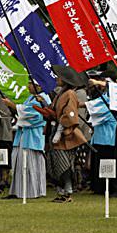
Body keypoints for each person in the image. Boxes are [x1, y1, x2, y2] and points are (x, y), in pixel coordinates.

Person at [47, 65, 88, 203]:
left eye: (59, 77)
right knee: (56, 163)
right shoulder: (61, 94)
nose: (57, 79)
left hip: (66, 133)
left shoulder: (70, 94)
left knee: (64, 164)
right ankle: (61, 191)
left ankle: (68, 192)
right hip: (56, 129)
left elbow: (69, 114)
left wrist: (60, 129)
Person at [8, 87, 48, 199]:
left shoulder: (43, 98)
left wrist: (12, 105)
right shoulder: (30, 98)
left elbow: (32, 114)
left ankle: (34, 191)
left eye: (31, 84)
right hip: (22, 135)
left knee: (32, 164)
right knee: (19, 163)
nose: (29, 86)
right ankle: (17, 191)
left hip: (33, 136)